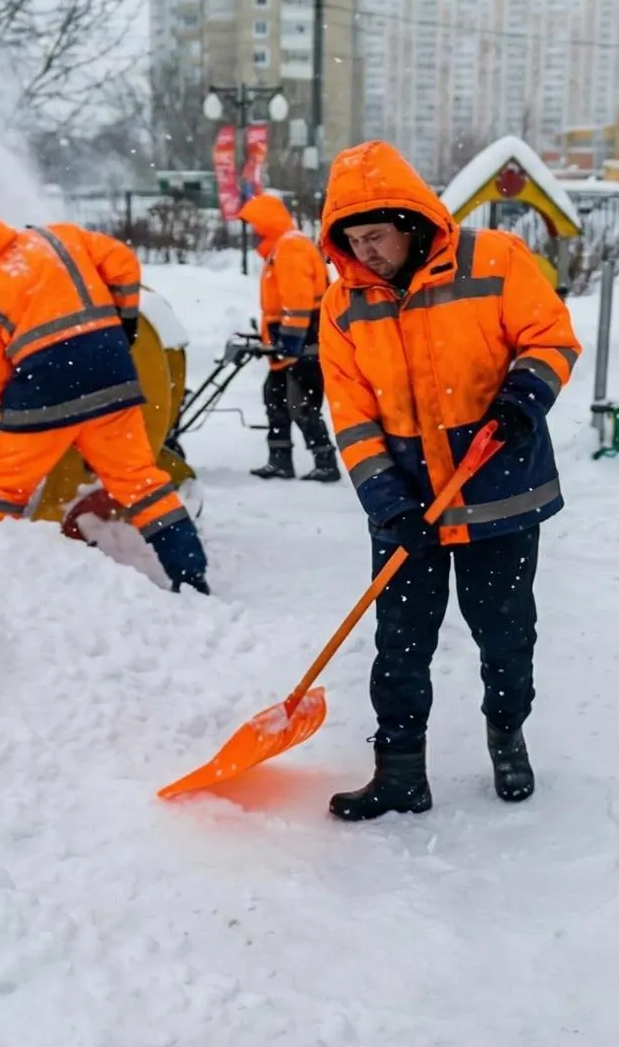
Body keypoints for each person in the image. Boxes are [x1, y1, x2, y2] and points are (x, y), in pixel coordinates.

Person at [314, 142, 581, 821]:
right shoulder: (344, 306)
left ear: (407, 221)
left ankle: (506, 734)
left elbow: (550, 337)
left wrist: (525, 396)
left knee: (504, 630)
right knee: (399, 641)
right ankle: (400, 771)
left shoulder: (493, 260)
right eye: (353, 242)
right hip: (409, 504)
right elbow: (351, 414)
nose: (366, 254)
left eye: (376, 237)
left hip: (499, 486)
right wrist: (386, 499)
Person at [0, 206, 211, 595]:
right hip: (111, 378)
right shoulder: (59, 238)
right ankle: (191, 576)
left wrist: (12, 421)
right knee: (140, 483)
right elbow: (122, 261)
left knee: (0, 490)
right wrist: (126, 319)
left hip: (41, 399)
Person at [237, 193, 340, 483]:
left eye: (255, 224)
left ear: (266, 222)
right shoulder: (283, 246)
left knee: (302, 404)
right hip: (290, 341)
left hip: (303, 342)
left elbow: (298, 301)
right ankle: (280, 460)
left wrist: (290, 342)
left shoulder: (290, 247)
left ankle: (326, 462)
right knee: (275, 397)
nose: (253, 231)